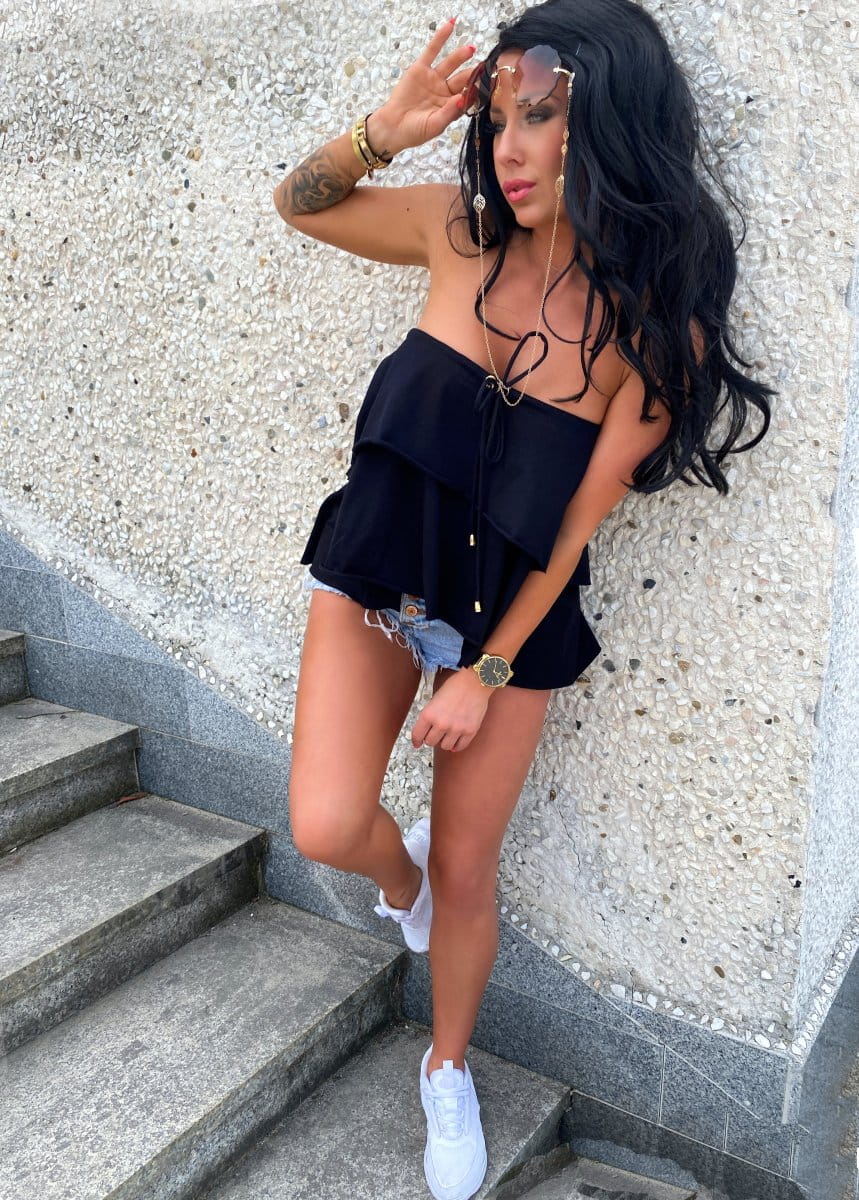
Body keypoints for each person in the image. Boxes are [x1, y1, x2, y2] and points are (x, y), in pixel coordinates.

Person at [273, 2, 773, 1197]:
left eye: (539, 117)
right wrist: (381, 132)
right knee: (328, 825)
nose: (508, 146)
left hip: (509, 619)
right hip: (379, 573)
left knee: (468, 870)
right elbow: (302, 205)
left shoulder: (654, 335)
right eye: (498, 120)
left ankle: (446, 1067)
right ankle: (397, 889)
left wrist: (484, 675)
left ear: (607, 129)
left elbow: (572, 534)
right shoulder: (455, 231)